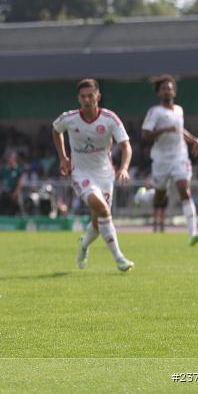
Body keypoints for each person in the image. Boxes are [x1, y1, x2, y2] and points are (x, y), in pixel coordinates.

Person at [53, 78, 134, 272]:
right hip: (81, 173)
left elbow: (126, 146)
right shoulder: (69, 118)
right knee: (103, 210)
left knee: (98, 222)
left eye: (91, 95)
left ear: (98, 96)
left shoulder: (110, 119)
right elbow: (56, 131)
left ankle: (83, 244)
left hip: (105, 174)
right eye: (83, 96)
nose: (87, 100)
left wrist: (123, 168)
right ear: (78, 99)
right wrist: (63, 158)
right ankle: (119, 258)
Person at [142, 75, 198, 244]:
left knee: (184, 190)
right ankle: (143, 196)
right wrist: (164, 130)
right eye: (163, 89)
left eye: (169, 88)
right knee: (159, 197)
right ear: (158, 93)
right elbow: (145, 134)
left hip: (179, 156)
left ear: (174, 91)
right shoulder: (155, 112)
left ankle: (193, 233)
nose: (167, 91)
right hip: (161, 159)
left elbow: (180, 130)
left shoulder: (179, 110)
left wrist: (194, 140)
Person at [0, 151, 23, 216]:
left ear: (15, 159)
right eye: (9, 158)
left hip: (13, 193)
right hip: (4, 192)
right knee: (0, 210)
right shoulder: (3, 169)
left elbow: (20, 183)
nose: (10, 160)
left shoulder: (18, 170)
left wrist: (16, 192)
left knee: (15, 211)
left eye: (12, 158)